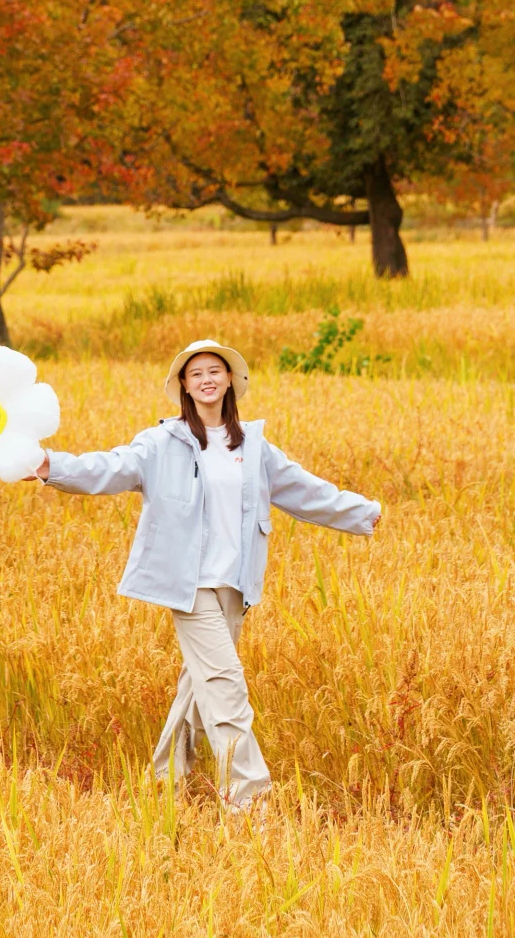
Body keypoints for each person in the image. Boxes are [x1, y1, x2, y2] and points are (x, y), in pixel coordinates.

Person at [27, 338, 381, 810]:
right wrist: (51, 465)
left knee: (198, 689)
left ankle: (164, 786)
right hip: (189, 585)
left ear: (230, 379)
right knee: (225, 687)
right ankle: (249, 803)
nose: (206, 379)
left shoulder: (253, 446)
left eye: (215, 370)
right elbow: (110, 467)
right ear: (184, 386)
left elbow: (304, 490)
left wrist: (362, 513)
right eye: (196, 374)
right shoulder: (162, 443)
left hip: (235, 584)